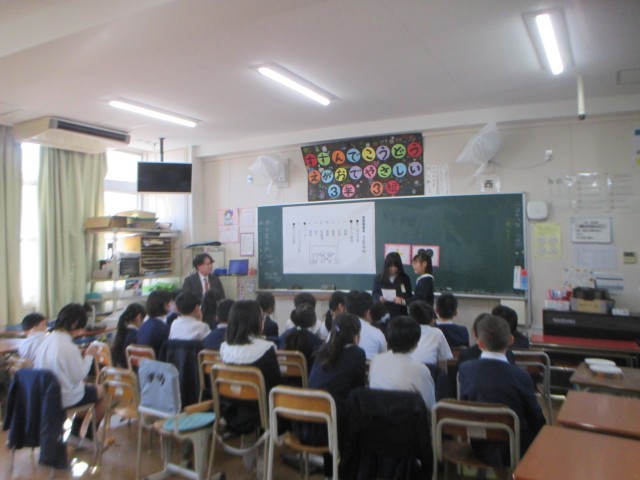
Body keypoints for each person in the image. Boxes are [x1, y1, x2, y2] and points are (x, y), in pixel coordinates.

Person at [458, 314, 545, 467]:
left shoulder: (466, 369)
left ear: (480, 343)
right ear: (511, 340)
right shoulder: (521, 376)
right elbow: (535, 417)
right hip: (516, 446)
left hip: (480, 443)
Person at [308, 312, 366, 478]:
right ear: (356, 335)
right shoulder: (357, 353)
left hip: (311, 421)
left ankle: (330, 473)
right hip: (336, 425)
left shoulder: (321, 350)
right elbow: (358, 390)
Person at [34, 303, 106, 439]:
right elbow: (79, 377)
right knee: (105, 391)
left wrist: (79, 355)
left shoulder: (47, 340)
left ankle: (76, 433)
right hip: (63, 397)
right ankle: (88, 435)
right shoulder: (68, 346)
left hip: (46, 394)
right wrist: (89, 355)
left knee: (88, 389)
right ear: (74, 324)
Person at [219, 300, 282, 435]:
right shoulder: (265, 349)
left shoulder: (224, 348)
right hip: (260, 414)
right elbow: (276, 383)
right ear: (256, 321)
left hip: (229, 412)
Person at [369, 315, 435, 411]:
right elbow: (429, 406)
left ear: (388, 338)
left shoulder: (376, 360)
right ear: (416, 343)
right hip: (407, 419)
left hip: (377, 416)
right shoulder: (420, 370)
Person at [408, 300, 452, 371]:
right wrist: (444, 376)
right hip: (429, 371)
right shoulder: (437, 333)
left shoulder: (404, 331)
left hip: (406, 371)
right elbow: (443, 361)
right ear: (432, 320)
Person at [278, 303, 323, 372]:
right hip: (308, 376)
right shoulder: (315, 340)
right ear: (312, 321)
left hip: (285, 376)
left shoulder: (284, 335)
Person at [345, 290, 387, 360]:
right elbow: (384, 358)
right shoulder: (377, 334)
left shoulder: (335, 330)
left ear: (346, 310)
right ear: (368, 313)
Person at [372, 252, 412, 319]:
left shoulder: (404, 278)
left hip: (400, 313)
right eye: (390, 266)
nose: (393, 269)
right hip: (383, 313)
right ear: (386, 266)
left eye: (395, 266)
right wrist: (379, 298)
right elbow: (374, 294)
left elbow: (409, 296)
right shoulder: (379, 278)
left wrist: (402, 300)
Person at [137, 290, 172, 357]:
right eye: (171, 302)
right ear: (165, 305)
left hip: (144, 362)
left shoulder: (143, 326)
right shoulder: (162, 328)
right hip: (158, 362)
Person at [111, 303, 146, 368]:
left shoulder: (122, 332)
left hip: (122, 369)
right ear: (138, 317)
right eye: (143, 319)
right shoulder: (136, 335)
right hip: (132, 370)